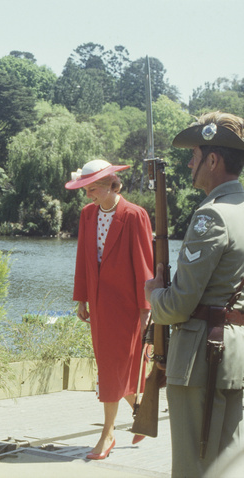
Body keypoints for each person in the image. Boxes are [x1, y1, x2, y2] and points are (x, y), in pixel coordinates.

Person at [145, 112, 244, 477]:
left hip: (201, 360)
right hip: (235, 355)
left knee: (193, 466)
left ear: (213, 161)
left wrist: (153, 294)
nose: (190, 162)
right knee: (230, 464)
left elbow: (177, 305)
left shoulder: (212, 217)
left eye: (196, 155)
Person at [66, 159, 153, 459]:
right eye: (86, 190)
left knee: (112, 368)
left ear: (112, 185)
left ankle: (108, 434)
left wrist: (146, 308)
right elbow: (82, 258)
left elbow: (144, 265)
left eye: (93, 189)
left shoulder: (134, 215)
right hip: (99, 304)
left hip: (127, 305)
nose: (89, 195)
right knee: (109, 365)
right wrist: (82, 298)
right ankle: (142, 412)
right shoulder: (88, 215)